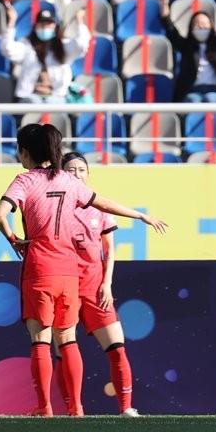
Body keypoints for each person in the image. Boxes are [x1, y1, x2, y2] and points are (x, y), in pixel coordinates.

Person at [0, 124, 168, 417]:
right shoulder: (67, 180)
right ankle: (77, 410)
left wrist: (13, 240)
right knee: (68, 338)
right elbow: (103, 203)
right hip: (69, 272)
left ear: (24, 151)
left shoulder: (24, 181)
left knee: (41, 341)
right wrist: (140, 215)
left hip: (40, 267)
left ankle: (44, 407)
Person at [54, 152, 139, 417]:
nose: (76, 174)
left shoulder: (99, 209)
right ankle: (72, 409)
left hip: (95, 288)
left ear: (88, 174)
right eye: (70, 170)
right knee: (63, 352)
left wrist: (107, 283)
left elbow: (109, 251)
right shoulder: (54, 208)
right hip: (64, 288)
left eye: (81, 169)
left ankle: (126, 408)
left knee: (117, 347)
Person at [159, 0, 216, 102]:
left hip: (215, 89)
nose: (201, 27)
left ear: (211, 26)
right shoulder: (186, 46)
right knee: (192, 101)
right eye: (197, 24)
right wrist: (164, 5)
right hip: (193, 90)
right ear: (191, 28)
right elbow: (170, 29)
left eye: (204, 24)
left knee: (212, 100)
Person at [3, 6, 91, 104]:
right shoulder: (27, 45)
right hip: (30, 95)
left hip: (56, 96)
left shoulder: (64, 46)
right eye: (41, 24)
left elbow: (81, 45)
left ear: (55, 27)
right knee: (33, 103)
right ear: (35, 26)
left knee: (52, 104)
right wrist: (11, 22)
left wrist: (79, 20)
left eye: (49, 24)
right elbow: (8, 49)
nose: (45, 27)